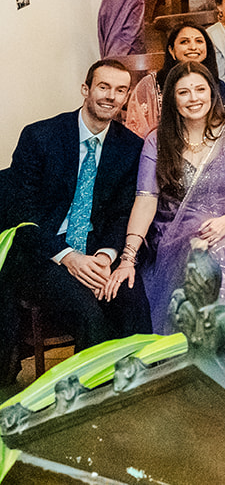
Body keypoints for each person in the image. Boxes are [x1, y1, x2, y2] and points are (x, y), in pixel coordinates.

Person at [106, 62, 225, 390]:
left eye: (200, 89)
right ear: (171, 99)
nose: (194, 98)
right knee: (199, 256)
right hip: (174, 234)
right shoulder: (157, 140)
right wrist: (128, 257)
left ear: (212, 92)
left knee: (216, 252)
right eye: (184, 92)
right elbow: (146, 200)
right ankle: (213, 355)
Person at [0, 61, 152, 357]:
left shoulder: (130, 146)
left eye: (120, 90)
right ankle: (92, 396)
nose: (111, 96)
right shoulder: (40, 137)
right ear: (86, 89)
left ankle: (138, 390)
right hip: (42, 252)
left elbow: (123, 212)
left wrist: (106, 257)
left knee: (133, 300)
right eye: (103, 87)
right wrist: (69, 258)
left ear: (126, 97)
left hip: (96, 250)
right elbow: (22, 214)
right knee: (89, 313)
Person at [123, 21, 225, 138]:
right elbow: (136, 133)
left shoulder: (218, 85)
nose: (193, 47)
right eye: (184, 42)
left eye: (199, 41)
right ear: (171, 50)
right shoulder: (151, 85)